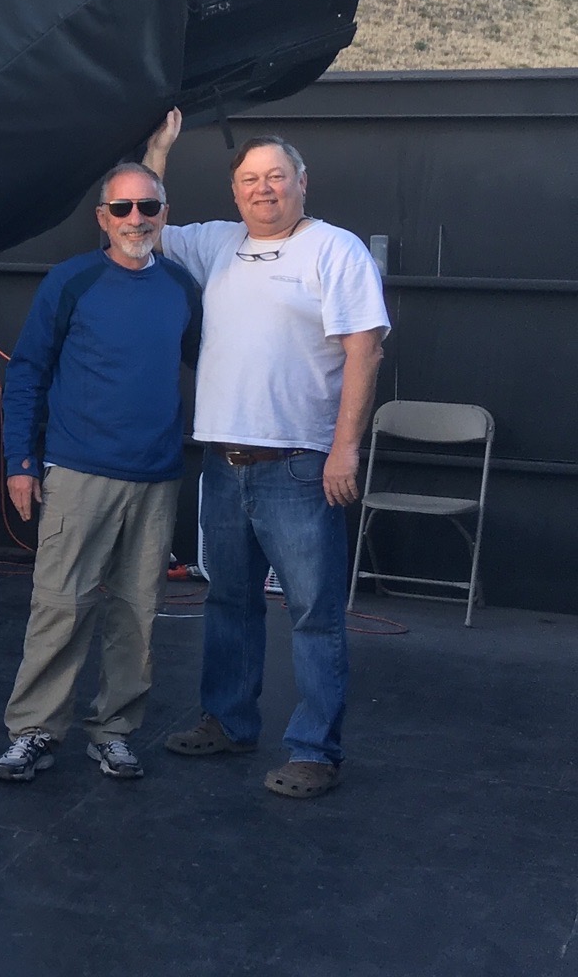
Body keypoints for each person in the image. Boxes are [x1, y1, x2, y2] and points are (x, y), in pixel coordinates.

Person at [142, 111, 387, 800]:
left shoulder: (335, 251)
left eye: (276, 177)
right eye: (250, 180)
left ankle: (314, 751)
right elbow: (150, 227)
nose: (264, 189)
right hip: (224, 461)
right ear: (235, 192)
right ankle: (227, 721)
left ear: (302, 184)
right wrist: (159, 151)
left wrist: (345, 449)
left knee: (312, 611)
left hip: (301, 466)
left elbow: (365, 351)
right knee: (229, 600)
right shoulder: (218, 243)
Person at [0, 162, 200, 785]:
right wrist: (20, 463)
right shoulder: (71, 282)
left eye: (149, 207)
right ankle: (33, 731)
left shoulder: (183, 289)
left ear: (164, 213)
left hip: (157, 476)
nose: (136, 218)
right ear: (102, 218)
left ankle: (114, 731)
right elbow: (26, 372)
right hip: (79, 472)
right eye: (123, 208)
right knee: (60, 606)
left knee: (137, 613)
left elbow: (209, 366)